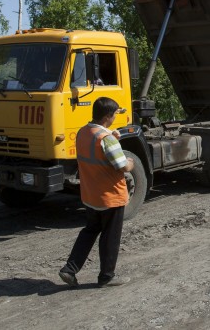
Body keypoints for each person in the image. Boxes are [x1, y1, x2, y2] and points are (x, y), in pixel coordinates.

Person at [59, 97, 134, 287]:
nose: (116, 116)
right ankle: (106, 276)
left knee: (90, 231)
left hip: (91, 195)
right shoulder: (106, 139)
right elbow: (122, 166)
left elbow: (96, 151)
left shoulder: (84, 132)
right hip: (110, 196)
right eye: (115, 113)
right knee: (110, 236)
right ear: (108, 116)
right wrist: (130, 162)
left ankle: (69, 269)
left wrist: (112, 137)